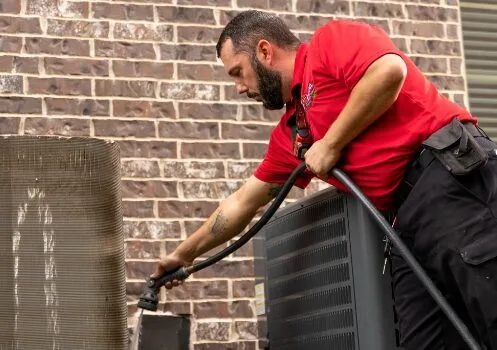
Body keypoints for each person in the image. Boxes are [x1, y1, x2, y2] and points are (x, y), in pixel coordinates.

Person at [150, 10, 497, 350]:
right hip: (404, 221)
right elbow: (243, 202)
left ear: (264, 51)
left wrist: (331, 143)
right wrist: (185, 255)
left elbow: (389, 71)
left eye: (238, 73)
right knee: (423, 340)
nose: (240, 88)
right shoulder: (292, 134)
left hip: (450, 184)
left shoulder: (330, 43)